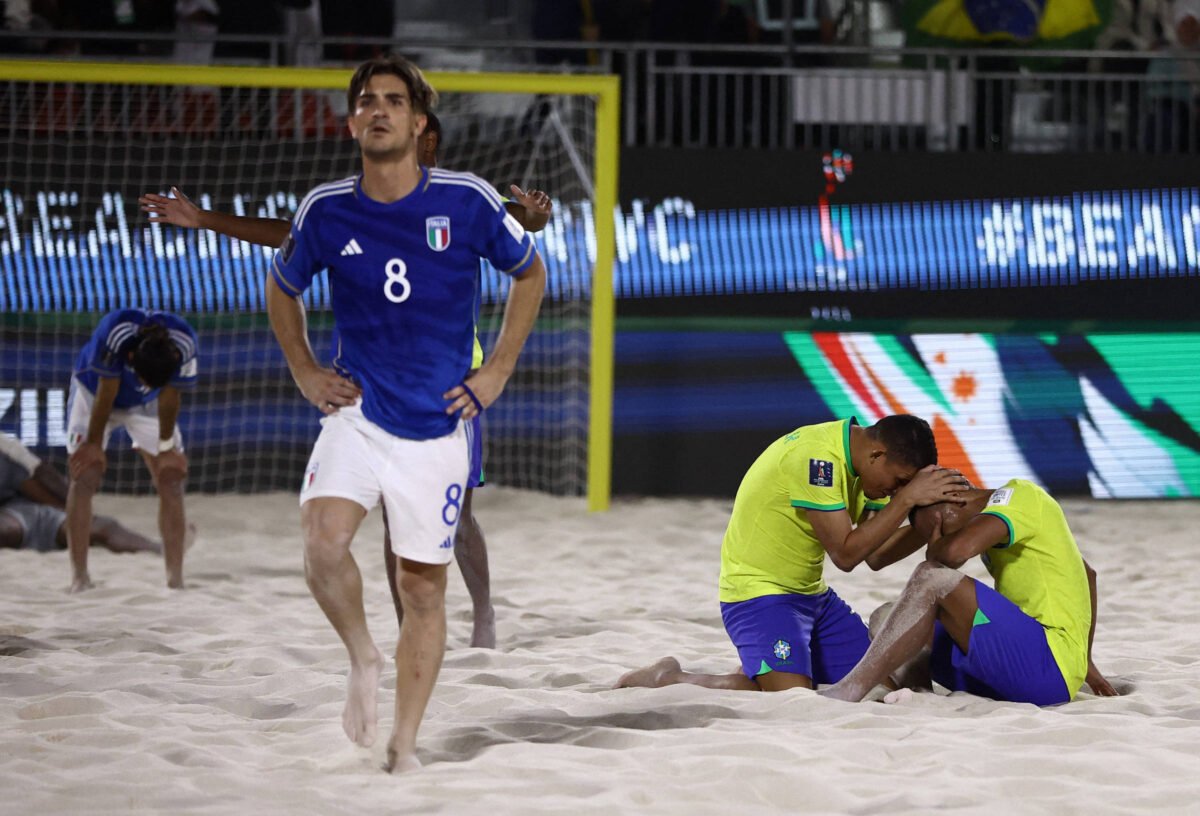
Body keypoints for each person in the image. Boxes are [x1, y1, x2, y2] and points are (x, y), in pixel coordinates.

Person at [138, 111, 553, 650]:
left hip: (450, 385)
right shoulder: (354, 204)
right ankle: (408, 632)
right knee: (392, 518)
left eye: (413, 132)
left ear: (428, 140)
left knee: (459, 520)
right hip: (375, 384)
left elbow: (521, 224)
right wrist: (205, 219)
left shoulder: (461, 200)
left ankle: (483, 613)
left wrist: (536, 215)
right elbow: (288, 236)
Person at [265, 55, 545, 772]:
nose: (378, 110)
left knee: (421, 590)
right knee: (322, 543)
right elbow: (282, 285)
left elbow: (531, 271)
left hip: (439, 423)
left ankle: (404, 745)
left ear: (420, 123)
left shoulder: (466, 199)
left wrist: (496, 370)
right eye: (366, 101)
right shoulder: (326, 208)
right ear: (351, 122)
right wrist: (304, 370)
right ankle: (363, 655)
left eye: (393, 100)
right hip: (357, 413)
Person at [617, 415, 967, 692]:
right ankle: (666, 678)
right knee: (793, 697)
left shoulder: (863, 466)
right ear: (877, 455)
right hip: (760, 596)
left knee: (879, 688)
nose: (896, 491)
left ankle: (770, 662)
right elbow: (846, 555)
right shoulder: (817, 459)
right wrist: (908, 499)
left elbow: (875, 555)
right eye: (900, 481)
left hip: (814, 599)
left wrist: (932, 523)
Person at [818, 478, 1119, 705]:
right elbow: (1087, 575)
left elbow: (954, 554)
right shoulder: (1004, 529)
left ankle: (851, 688)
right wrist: (1087, 662)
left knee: (933, 577)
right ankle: (919, 695)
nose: (938, 538)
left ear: (957, 499)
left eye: (938, 527)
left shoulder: (1022, 495)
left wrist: (936, 551)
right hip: (1008, 674)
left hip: (1048, 668)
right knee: (886, 616)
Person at [64, 309, 198, 593]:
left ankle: (175, 581)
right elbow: (107, 390)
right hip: (94, 391)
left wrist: (166, 448)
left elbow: (170, 395)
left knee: (171, 478)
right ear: (131, 358)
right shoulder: (116, 332)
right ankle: (79, 577)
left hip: (148, 403)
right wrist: (93, 445)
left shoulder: (184, 343)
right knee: (85, 474)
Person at [0, 432, 162, 555]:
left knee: (104, 526)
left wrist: (77, 512)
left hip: (25, 511)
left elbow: (38, 477)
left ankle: (160, 550)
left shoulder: (7, 447)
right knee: (9, 530)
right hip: (11, 519)